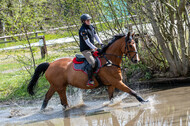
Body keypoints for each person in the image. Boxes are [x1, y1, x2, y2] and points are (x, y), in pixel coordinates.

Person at [79, 14, 103, 86]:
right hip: (85, 50)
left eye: (89, 20)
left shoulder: (91, 27)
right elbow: (87, 42)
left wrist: (101, 43)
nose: (89, 21)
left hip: (91, 48)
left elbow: (96, 36)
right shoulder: (83, 30)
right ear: (83, 21)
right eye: (87, 20)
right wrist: (95, 48)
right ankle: (89, 80)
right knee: (92, 63)